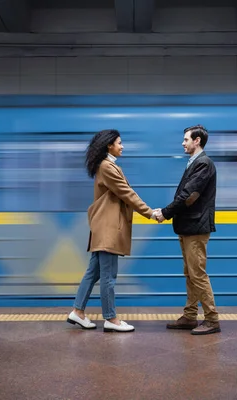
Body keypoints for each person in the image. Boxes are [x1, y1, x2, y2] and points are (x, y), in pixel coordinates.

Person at [67, 129, 159, 333]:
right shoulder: (107, 167)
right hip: (107, 229)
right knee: (109, 276)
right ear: (109, 145)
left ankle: (78, 311)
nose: (122, 146)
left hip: (102, 227)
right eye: (119, 142)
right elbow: (127, 194)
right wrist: (150, 213)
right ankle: (111, 319)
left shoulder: (107, 165)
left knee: (93, 273)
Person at [154, 125, 221, 335]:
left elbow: (188, 196)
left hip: (196, 226)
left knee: (197, 274)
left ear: (197, 141)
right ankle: (190, 316)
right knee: (190, 274)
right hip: (188, 226)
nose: (183, 143)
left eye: (186, 139)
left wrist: (165, 212)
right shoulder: (195, 163)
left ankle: (212, 319)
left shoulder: (204, 164)